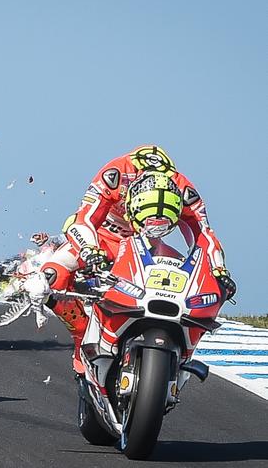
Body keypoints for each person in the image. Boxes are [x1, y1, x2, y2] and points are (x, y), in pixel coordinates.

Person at [38, 145, 236, 373]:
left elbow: (203, 234)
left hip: (149, 244)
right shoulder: (115, 175)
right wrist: (90, 249)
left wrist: (219, 270)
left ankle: (183, 356)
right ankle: (81, 331)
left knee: (206, 286)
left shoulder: (184, 189)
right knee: (50, 276)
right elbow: (83, 220)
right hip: (101, 239)